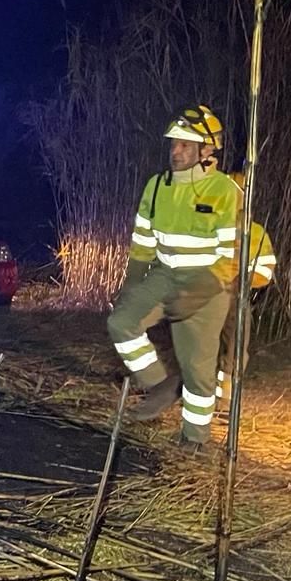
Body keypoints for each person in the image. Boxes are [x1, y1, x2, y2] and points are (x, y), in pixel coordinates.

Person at [107, 105, 238, 450]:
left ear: (206, 150)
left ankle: (193, 441)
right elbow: (143, 242)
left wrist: (199, 291)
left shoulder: (225, 191)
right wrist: (132, 284)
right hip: (164, 276)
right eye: (173, 144)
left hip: (208, 287)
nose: (175, 152)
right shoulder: (156, 186)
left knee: (198, 370)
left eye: (184, 145)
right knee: (122, 321)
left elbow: (232, 255)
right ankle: (160, 385)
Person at [216, 172, 278, 408]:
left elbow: (265, 271)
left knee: (236, 341)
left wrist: (244, 279)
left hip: (235, 295)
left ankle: (225, 397)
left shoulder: (255, 234)